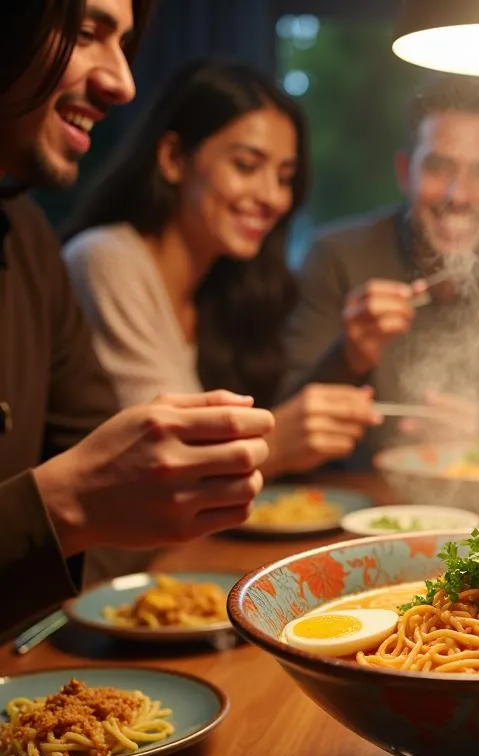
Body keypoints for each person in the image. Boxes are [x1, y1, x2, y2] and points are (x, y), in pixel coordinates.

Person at [0, 0, 274, 636]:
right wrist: (64, 503)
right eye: (85, 32)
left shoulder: (27, 238)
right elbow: (90, 491)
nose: (122, 83)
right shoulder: (98, 256)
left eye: (124, 43)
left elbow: (118, 502)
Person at [63, 59, 380, 479]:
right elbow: (168, 464)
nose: (272, 197)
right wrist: (279, 443)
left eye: (285, 177)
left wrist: (348, 360)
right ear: (174, 158)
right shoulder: (105, 258)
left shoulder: (227, 284)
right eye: (246, 166)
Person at [280, 74, 479, 463]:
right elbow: (286, 425)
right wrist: (349, 356)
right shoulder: (337, 258)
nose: (458, 195)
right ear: (404, 172)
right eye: (438, 167)